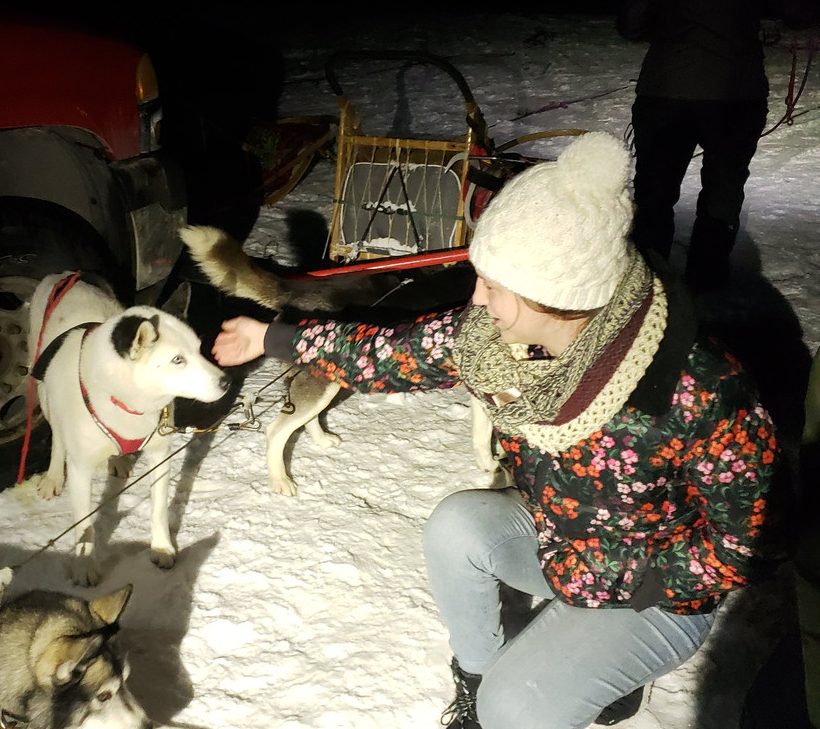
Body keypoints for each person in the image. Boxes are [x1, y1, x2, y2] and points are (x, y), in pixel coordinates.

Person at [210, 132, 788, 729]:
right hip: (562, 542)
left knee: (514, 711)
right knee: (458, 527)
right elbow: (397, 352)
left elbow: (749, 542)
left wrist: (615, 576)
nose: (476, 299)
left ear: (560, 297)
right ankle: (482, 675)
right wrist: (275, 337)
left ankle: (576, 680)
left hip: (656, 591)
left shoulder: (700, 390)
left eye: (493, 286)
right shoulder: (499, 340)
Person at [617, 0, 815, 291]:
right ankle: (705, 287)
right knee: (722, 191)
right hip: (734, 95)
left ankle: (647, 286)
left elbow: (630, 23)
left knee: (654, 192)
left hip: (667, 89)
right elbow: (800, 11)